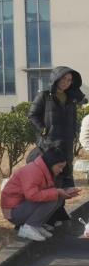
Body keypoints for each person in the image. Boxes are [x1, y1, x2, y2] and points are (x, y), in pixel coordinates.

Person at [27, 66, 84, 224]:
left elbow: (73, 119)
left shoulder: (71, 98)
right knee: (49, 180)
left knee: (63, 178)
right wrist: (43, 130)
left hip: (66, 144)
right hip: (49, 145)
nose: (66, 82)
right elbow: (32, 115)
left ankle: (57, 212)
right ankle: (46, 216)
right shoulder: (44, 96)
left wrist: (74, 132)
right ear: (56, 78)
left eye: (69, 80)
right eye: (63, 78)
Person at [1, 148, 80, 241]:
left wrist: (65, 191)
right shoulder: (33, 171)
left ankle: (36, 225)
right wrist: (57, 192)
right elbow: (32, 195)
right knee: (53, 197)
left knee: (57, 197)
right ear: (51, 163)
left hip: (20, 207)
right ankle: (29, 227)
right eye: (59, 166)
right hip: (13, 212)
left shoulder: (43, 170)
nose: (61, 170)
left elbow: (44, 192)